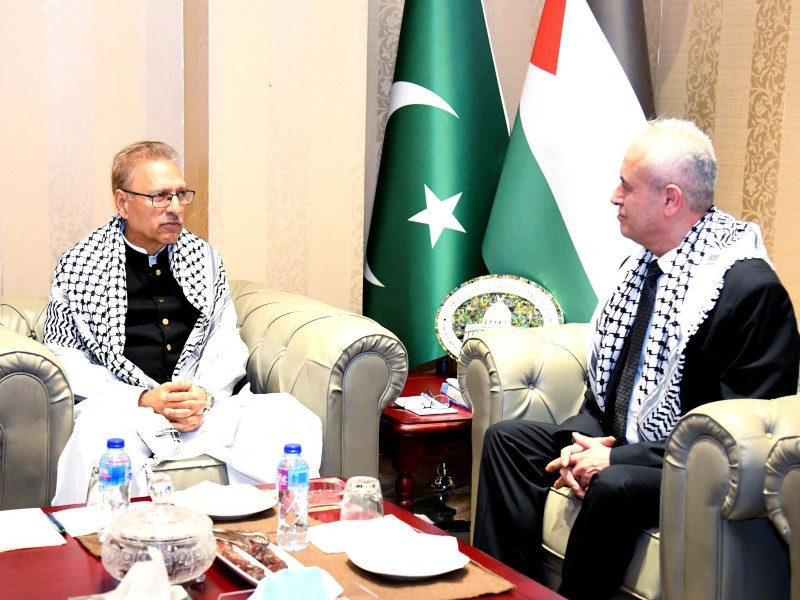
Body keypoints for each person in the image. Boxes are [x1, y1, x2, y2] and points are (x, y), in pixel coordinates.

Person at [472, 119, 800, 599]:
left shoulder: (748, 289)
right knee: (507, 442)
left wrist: (614, 456)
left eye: (626, 185)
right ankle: (508, 592)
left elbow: (743, 434)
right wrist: (578, 441)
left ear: (670, 199)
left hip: (690, 468)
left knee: (614, 483)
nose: (613, 196)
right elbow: (608, 389)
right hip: (625, 446)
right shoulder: (642, 268)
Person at [45, 141, 323, 504]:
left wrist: (202, 395)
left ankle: (267, 534)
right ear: (122, 202)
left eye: (180, 195)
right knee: (94, 438)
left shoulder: (203, 259)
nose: (175, 208)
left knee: (290, 416)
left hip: (200, 406)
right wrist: (144, 398)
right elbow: (64, 356)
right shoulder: (80, 266)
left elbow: (225, 341)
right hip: (126, 409)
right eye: (160, 197)